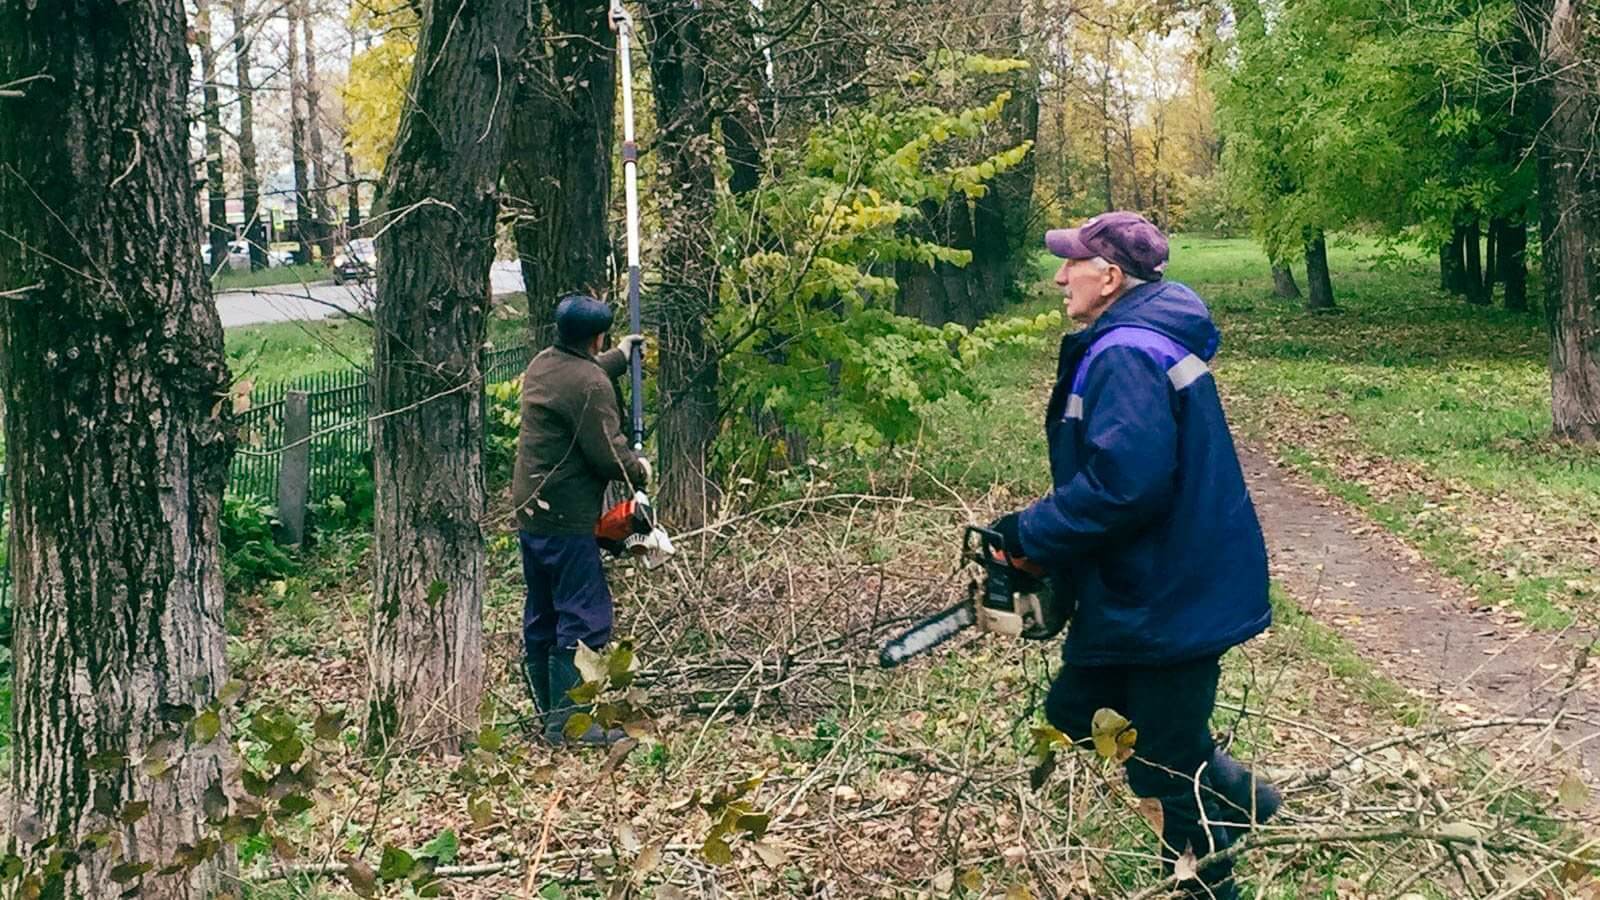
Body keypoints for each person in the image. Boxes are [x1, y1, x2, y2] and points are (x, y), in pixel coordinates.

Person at [987, 212, 1281, 898]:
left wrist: (1029, 534)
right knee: (1077, 713)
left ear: (1110, 276)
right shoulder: (1139, 339)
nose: (1061, 276)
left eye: (1073, 264)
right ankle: (1244, 801)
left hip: (1167, 593)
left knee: (1166, 768)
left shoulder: (1125, 352)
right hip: (1145, 584)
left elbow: (1127, 485)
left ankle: (1207, 881)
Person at [511, 294, 649, 747]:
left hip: (532, 511)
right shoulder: (590, 386)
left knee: (544, 610)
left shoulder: (543, 365)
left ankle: (549, 714)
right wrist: (638, 470)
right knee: (584, 615)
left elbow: (581, 375)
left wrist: (619, 357)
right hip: (568, 516)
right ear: (597, 336)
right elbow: (608, 452)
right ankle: (570, 725)